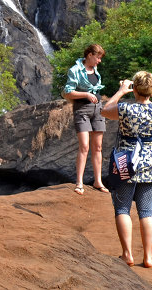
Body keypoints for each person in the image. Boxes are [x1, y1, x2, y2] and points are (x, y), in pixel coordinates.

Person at [101, 71, 152, 269]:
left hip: (126, 160)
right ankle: (148, 257)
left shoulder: (125, 108)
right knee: (147, 211)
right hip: (151, 161)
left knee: (123, 208)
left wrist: (121, 91)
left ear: (134, 88)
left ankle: (127, 254)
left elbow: (105, 110)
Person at [62, 43, 109, 195]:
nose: (99, 61)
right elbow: (68, 92)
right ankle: (79, 182)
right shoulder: (74, 70)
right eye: (98, 57)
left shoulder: (95, 69)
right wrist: (86, 94)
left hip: (98, 109)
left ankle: (98, 181)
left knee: (98, 147)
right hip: (82, 109)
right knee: (84, 146)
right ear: (90, 55)